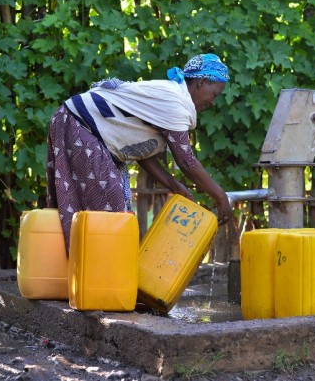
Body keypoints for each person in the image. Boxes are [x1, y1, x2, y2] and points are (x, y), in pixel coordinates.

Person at [46, 53, 233, 251]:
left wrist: (174, 185)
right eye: (215, 94)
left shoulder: (172, 99)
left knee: (102, 214)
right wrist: (221, 197)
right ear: (202, 82)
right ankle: (101, 276)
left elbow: (143, 154)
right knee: (109, 213)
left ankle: (92, 273)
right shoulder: (175, 103)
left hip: (78, 125)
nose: (213, 102)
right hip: (79, 125)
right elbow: (186, 161)